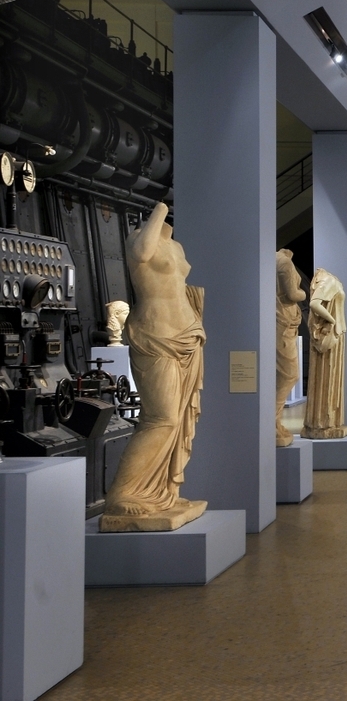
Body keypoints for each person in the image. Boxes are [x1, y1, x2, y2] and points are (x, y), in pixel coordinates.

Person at [101, 202, 206, 531]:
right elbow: (145, 254)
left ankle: (162, 492)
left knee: (176, 421)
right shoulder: (138, 239)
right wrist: (160, 210)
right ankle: (121, 495)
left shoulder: (175, 245)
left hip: (187, 335)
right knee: (161, 418)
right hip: (155, 335)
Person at [303, 268, 347, 439]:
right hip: (331, 335)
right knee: (326, 377)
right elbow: (314, 304)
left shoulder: (323, 279)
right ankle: (323, 423)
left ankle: (325, 421)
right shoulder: (328, 281)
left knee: (329, 377)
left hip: (333, 334)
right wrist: (332, 320)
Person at [275, 250, 305, 447]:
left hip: (282, 320)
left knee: (283, 374)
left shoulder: (275, 260)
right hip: (282, 321)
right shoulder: (284, 262)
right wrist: (303, 293)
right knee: (289, 374)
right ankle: (271, 421)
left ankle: (273, 422)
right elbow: (293, 294)